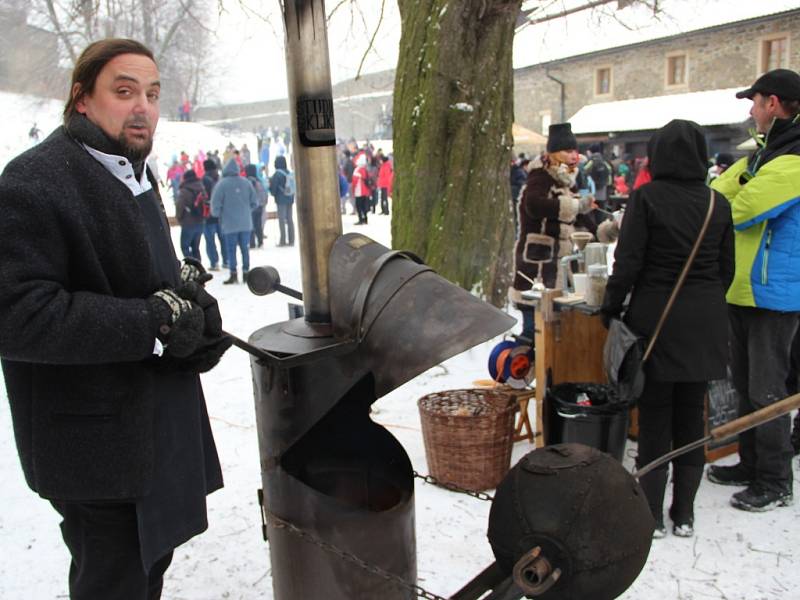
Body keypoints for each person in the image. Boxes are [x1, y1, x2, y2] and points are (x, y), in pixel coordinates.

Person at [0, 38, 231, 600]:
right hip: (93, 445)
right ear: (82, 98)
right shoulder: (33, 181)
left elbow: (145, 280)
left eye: (152, 94)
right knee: (115, 581)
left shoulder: (133, 172)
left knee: (149, 571)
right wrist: (151, 324)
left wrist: (193, 319)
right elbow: (17, 315)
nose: (142, 107)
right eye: (123, 91)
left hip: (155, 431)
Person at [601, 119, 734, 538]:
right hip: (705, 322)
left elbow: (628, 262)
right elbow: (726, 270)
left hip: (656, 318)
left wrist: (611, 306)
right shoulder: (718, 203)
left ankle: (653, 515)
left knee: (656, 418)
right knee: (692, 417)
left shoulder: (646, 198)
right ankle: (685, 514)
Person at [707, 68, 800, 511]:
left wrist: (738, 188)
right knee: (744, 385)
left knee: (767, 391)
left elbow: (739, 211)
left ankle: (776, 478)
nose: (751, 109)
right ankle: (749, 463)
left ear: (775, 104)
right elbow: (713, 193)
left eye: (755, 100)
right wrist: (738, 184)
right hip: (743, 289)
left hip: (773, 295)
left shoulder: (794, 159)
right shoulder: (763, 157)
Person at [509, 122, 596, 341]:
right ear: (556, 153)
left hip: (558, 269)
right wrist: (576, 206)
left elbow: (584, 218)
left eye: (575, 151)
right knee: (535, 333)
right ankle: (517, 370)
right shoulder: (540, 176)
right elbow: (534, 205)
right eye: (568, 151)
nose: (573, 156)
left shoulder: (567, 182)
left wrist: (609, 228)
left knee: (554, 336)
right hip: (537, 267)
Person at [211, 159, 258, 284]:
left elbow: (215, 206)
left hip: (229, 223)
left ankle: (233, 274)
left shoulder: (221, 185)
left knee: (231, 249)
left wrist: (219, 214)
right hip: (246, 223)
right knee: (245, 248)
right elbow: (255, 202)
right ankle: (246, 272)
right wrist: (246, 211)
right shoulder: (246, 183)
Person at [202, 158, 227, 271]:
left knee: (210, 241)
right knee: (223, 239)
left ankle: (214, 262)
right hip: (221, 216)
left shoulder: (204, 180)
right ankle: (226, 261)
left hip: (208, 217)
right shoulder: (220, 179)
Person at [176, 169, 206, 261]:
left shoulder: (184, 191)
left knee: (185, 247)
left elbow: (179, 206)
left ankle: (192, 266)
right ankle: (199, 268)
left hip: (188, 222)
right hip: (200, 221)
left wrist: (179, 218)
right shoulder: (202, 188)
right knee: (196, 248)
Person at [269, 155, 296, 246]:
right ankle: (292, 240)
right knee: (289, 219)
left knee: (281, 220)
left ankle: (283, 240)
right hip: (290, 198)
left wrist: (273, 193)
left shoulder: (277, 174)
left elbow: (274, 188)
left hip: (281, 200)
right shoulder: (288, 172)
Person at [245, 163, 267, 248]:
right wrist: (263, 203)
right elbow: (264, 194)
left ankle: (252, 243)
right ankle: (260, 241)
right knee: (258, 224)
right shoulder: (259, 181)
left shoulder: (246, 182)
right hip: (260, 206)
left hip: (251, 207)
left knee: (251, 225)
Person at [351, 153, 373, 225]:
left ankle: (360, 219)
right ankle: (365, 219)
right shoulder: (365, 170)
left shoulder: (357, 170)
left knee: (358, 206)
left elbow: (354, 181)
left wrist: (353, 190)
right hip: (365, 191)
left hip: (359, 191)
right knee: (364, 206)